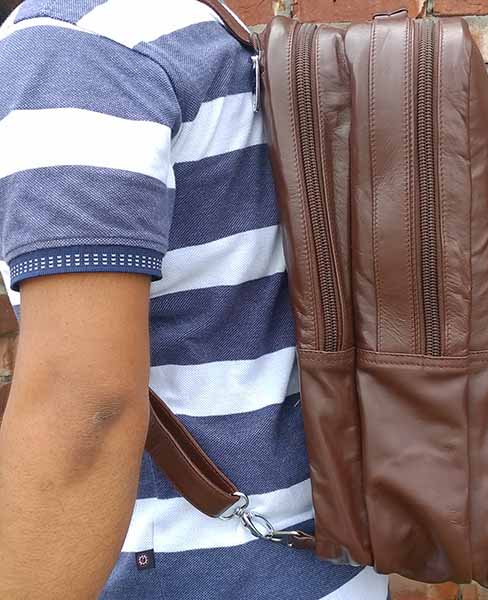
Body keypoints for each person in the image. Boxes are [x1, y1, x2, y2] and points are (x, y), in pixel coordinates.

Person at [0, 0, 391, 598]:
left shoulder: (70, 49)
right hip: (318, 560)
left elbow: (85, 411)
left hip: (188, 569)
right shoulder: (193, 24)